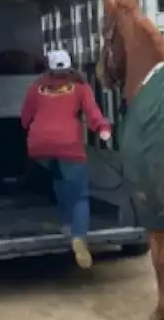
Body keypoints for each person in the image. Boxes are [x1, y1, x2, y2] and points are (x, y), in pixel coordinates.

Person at [20, 49, 112, 268]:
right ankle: (78, 238)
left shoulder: (36, 87)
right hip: (69, 146)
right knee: (80, 194)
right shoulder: (80, 87)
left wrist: (31, 130)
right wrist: (103, 129)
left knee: (59, 180)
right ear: (70, 67)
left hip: (40, 146)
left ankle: (65, 225)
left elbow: (25, 118)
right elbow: (92, 113)